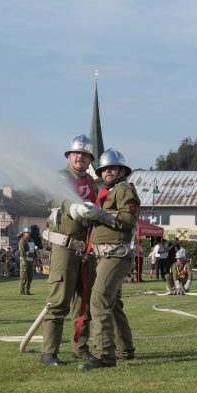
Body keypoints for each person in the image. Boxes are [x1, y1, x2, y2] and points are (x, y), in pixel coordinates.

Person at [39, 134, 107, 366]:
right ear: (69, 156)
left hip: (87, 249)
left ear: (90, 159)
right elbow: (55, 197)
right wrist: (74, 207)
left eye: (85, 154)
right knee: (59, 300)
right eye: (76, 153)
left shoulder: (91, 182)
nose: (80, 157)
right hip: (65, 246)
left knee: (83, 303)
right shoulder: (60, 177)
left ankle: (80, 348)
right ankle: (49, 353)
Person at [81, 147, 140, 370]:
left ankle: (105, 356)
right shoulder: (108, 193)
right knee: (113, 305)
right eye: (104, 169)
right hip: (106, 254)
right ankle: (125, 349)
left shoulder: (124, 190)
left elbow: (128, 219)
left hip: (115, 254)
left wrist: (101, 215)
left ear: (122, 170)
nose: (108, 172)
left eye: (113, 168)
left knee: (99, 301)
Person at [17, 228, 35, 295]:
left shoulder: (31, 240)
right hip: (25, 260)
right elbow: (22, 251)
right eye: (26, 232)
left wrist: (34, 258)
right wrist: (23, 260)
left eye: (29, 233)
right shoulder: (22, 240)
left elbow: (33, 250)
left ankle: (27, 291)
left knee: (30, 277)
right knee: (24, 277)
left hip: (30, 260)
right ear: (23, 233)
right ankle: (22, 291)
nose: (28, 234)